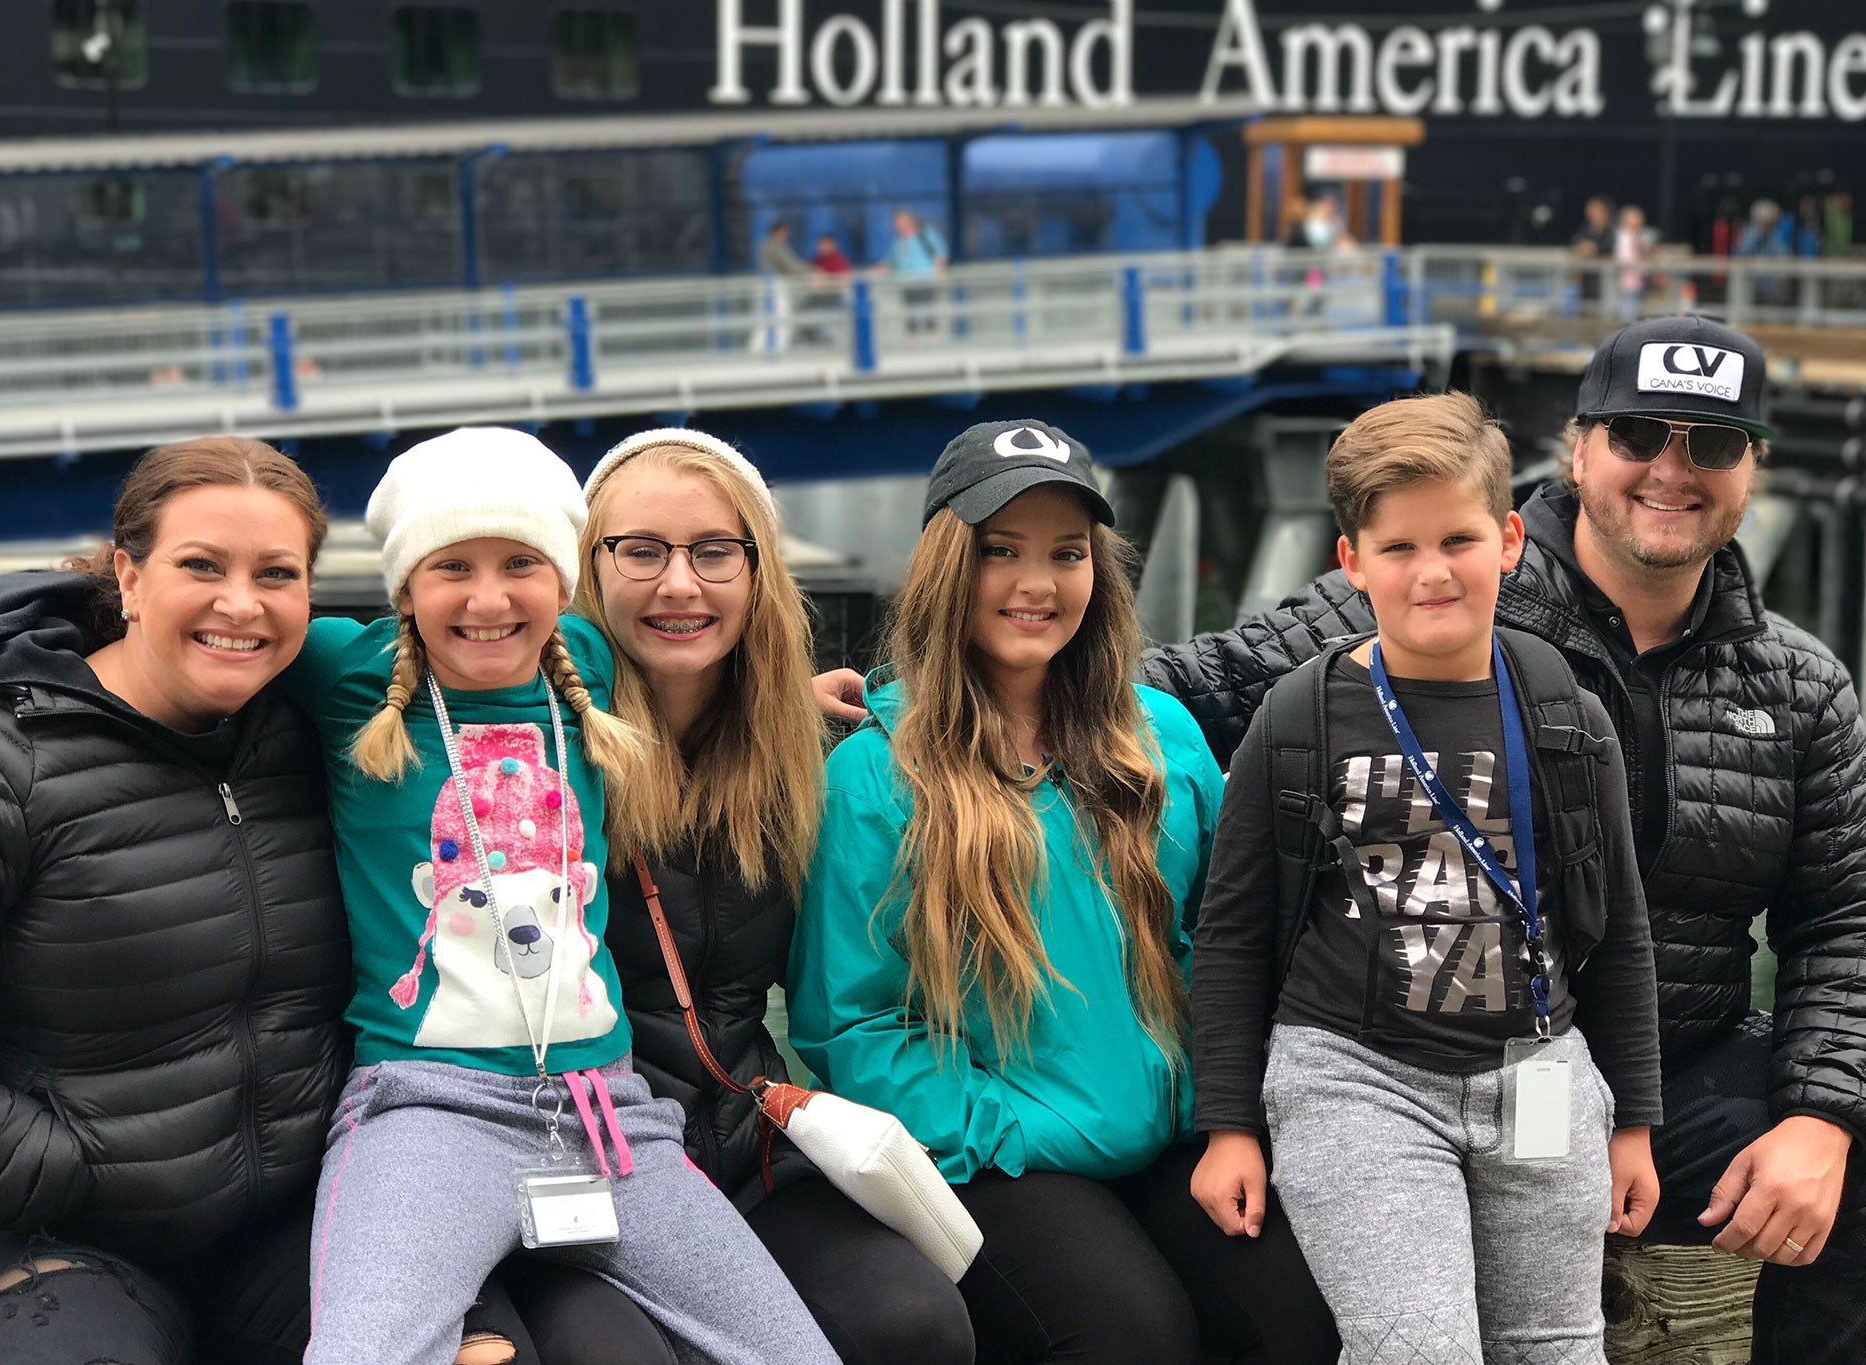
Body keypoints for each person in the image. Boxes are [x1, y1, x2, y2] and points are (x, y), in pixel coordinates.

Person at [1141, 316, 1866, 1365]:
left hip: (1638, 1074)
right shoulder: (1442, 582)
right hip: (1398, 1067)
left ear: (1751, 465)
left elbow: (1843, 915)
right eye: (1635, 435)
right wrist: (880, 703)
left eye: (1709, 443)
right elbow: (1178, 686)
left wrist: (1818, 1118)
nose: (1670, 470)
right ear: (1575, 450)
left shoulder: (1798, 685)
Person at [280, 426, 842, 1365]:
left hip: (607, 1114)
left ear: (563, 581)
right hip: (429, 1111)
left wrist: (875, 706)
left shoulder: (585, 660)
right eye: (451, 564)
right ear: (403, 588)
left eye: (520, 564)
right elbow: (212, 636)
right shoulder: (348, 672)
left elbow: (732, 674)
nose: (490, 597)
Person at [791, 419, 1338, 1365]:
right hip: (1001, 1151)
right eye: (1000, 551)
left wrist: (1226, 1113)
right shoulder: (879, 773)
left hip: (1176, 1131)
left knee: (1298, 1311)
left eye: (1066, 553)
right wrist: (1012, 1129)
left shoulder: (1158, 732)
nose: (1035, 583)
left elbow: (1226, 941)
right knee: (1129, 1337)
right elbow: (855, 1024)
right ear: (943, 567)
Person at [0, 437, 363, 1365]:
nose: (241, 603)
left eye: (277, 572)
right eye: (202, 565)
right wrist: (55, 1170)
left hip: (269, 1234)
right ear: (130, 575)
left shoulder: (312, 748)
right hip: (29, 1240)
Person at [1187, 392, 1662, 1362]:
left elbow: (1615, 928)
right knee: (1414, 1348)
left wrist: (1632, 1123)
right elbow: (1231, 937)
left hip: (1536, 1073)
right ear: (1350, 561)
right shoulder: (1298, 717)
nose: (1431, 572)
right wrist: (1227, 1126)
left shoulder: (1565, 716)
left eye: (1456, 538)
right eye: (1397, 549)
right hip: (1356, 1080)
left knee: (1557, 1346)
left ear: (1508, 541)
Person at [493, 428, 974, 1365]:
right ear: (583, 570)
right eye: (642, 550)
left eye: (715, 551)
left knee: (911, 1325)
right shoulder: (525, 747)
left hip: (748, 1141)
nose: (681, 584)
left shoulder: (801, 753)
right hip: (579, 1164)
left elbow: (982, 712)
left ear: (758, 572)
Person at [880, 208, 948, 336]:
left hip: (925, 280)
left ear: (910, 221)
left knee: (928, 311)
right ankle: (912, 339)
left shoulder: (926, 235)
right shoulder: (898, 242)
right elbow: (889, 263)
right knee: (909, 314)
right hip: (905, 282)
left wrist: (939, 276)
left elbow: (940, 256)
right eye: (896, 223)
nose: (897, 225)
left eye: (900, 222)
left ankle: (932, 338)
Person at [753, 221, 810, 354]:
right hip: (774, 285)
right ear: (778, 231)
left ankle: (760, 349)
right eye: (785, 232)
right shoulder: (774, 245)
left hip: (769, 285)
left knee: (767, 318)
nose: (787, 235)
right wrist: (811, 270)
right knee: (782, 317)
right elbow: (789, 265)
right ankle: (776, 349)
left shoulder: (766, 244)